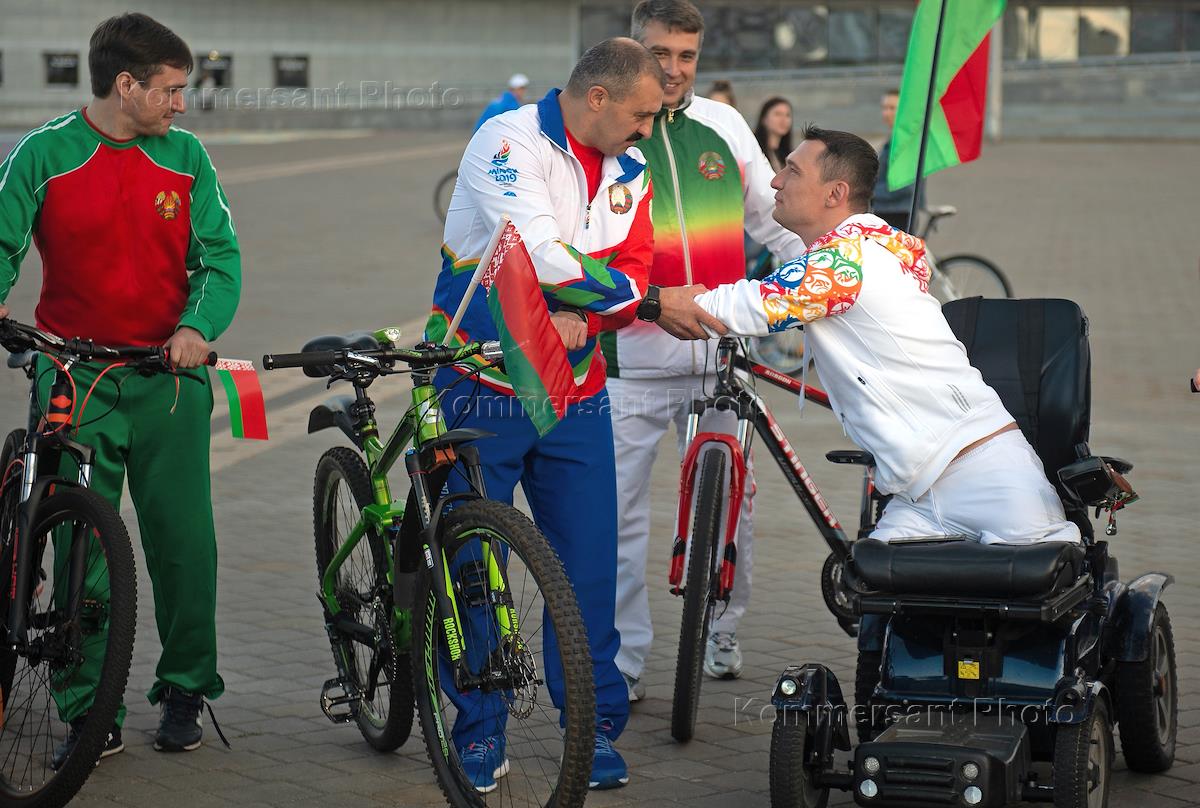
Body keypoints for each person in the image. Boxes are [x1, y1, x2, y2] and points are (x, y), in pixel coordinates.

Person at [424, 37, 664, 792]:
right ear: (597, 97)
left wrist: (586, 315)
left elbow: (635, 266)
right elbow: (534, 251)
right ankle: (477, 730)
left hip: (575, 388)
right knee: (474, 565)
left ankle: (590, 728)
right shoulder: (506, 140)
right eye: (642, 114)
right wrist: (635, 301)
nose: (649, 130)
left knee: (588, 565)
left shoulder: (632, 168)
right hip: (481, 379)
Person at [0, 13, 240, 761]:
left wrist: (197, 326)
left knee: (184, 543)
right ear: (126, 85)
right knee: (82, 546)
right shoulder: (45, 154)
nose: (181, 104)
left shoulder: (186, 157)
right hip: (75, 377)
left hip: (169, 377)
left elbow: (220, 257)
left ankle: (185, 686)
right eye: (170, 90)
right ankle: (88, 707)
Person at [662, 126, 1080, 547]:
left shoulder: (847, 260)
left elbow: (749, 305)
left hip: (988, 476)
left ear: (835, 193)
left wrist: (652, 301)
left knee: (1048, 581)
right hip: (916, 495)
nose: (775, 181)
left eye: (792, 171)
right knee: (863, 581)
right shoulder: (859, 249)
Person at [604, 0, 807, 699]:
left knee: (732, 503)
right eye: (659, 53)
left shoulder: (724, 125)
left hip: (722, 357)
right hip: (630, 363)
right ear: (633, 47)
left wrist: (828, 276)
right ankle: (623, 660)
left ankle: (722, 625)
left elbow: (776, 225)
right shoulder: (608, 133)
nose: (673, 69)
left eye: (686, 56)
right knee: (619, 516)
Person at [873, 88, 924, 231]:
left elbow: (904, 186)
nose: (886, 113)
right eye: (884, 108)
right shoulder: (896, 139)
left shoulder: (906, 142)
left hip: (898, 212)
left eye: (892, 108)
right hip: (891, 210)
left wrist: (869, 192)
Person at [754, 96, 793, 173]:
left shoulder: (789, 156)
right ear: (764, 119)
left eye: (787, 115)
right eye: (778, 114)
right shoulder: (755, 149)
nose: (783, 120)